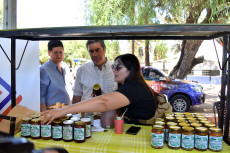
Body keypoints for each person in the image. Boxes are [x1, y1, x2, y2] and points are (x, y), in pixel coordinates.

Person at [41, 53, 158, 125]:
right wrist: (99, 98)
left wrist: (63, 111)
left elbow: (104, 103)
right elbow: (109, 104)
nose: (114, 70)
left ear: (130, 70)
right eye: (114, 66)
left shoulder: (133, 87)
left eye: (118, 67)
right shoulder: (131, 85)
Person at [40, 40, 73, 112]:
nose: (59, 55)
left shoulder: (65, 67)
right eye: (56, 52)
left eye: (61, 52)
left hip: (68, 112)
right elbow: (41, 98)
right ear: (49, 53)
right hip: (53, 115)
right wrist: (44, 117)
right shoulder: (44, 70)